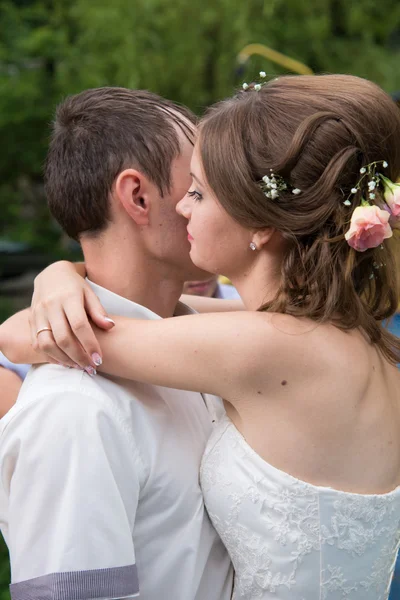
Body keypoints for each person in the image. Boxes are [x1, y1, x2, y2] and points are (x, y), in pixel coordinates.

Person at [3, 74, 400, 599]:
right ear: (136, 198)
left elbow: (34, 335)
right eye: (186, 186)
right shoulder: (333, 331)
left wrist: (57, 280)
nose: (187, 207)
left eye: (200, 190)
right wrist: (62, 275)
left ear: (260, 223)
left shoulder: (265, 346)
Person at [0, 87, 233, 600]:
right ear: (138, 198)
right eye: (198, 182)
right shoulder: (73, 412)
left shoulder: (198, 342)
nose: (224, 199)